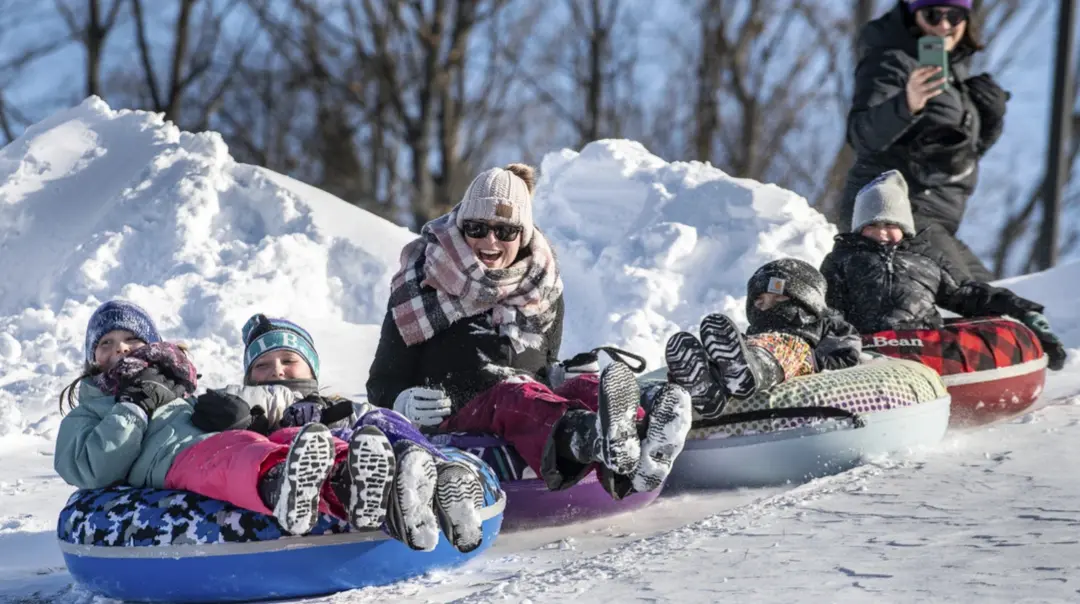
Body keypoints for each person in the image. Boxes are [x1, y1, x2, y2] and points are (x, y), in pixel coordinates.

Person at [368, 163, 693, 497]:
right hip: (455, 428)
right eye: (476, 228)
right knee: (512, 396)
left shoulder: (543, 288)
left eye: (504, 230)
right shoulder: (421, 284)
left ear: (522, 235)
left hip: (523, 421)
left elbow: (538, 372)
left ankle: (641, 447)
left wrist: (560, 376)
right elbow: (380, 382)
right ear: (460, 226)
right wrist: (400, 401)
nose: (489, 240)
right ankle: (595, 441)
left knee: (586, 386)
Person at [53, 301, 427, 541]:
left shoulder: (173, 386)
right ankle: (281, 486)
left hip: (211, 441)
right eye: (106, 342)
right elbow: (95, 468)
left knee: (285, 440)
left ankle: (360, 477)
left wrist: (240, 416)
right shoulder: (88, 411)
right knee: (237, 456)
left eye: (132, 339)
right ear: (92, 357)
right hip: (173, 460)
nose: (120, 348)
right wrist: (132, 407)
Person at [195, 313, 484, 552]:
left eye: (288, 360)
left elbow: (373, 423)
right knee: (330, 440)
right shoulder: (255, 406)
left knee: (378, 419)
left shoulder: (338, 405)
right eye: (262, 365)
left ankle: (434, 471)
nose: (277, 371)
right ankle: (398, 494)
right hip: (320, 460)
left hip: (363, 442)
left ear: (311, 367)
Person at [822, 170, 1067, 370]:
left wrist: (1024, 312)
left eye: (890, 224)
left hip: (924, 345)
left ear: (905, 226)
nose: (882, 232)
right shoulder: (843, 259)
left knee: (1005, 333)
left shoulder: (927, 258)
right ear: (858, 227)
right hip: (871, 346)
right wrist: (840, 343)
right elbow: (828, 306)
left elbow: (967, 293)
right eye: (873, 224)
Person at [838, 0, 1007, 281]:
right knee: (975, 310)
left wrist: (991, 120)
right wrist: (907, 103)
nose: (943, 26)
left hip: (936, 223)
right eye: (932, 15)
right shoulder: (891, 62)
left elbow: (960, 160)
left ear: (965, 21)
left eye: (953, 16)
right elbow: (862, 136)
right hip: (895, 217)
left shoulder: (955, 80)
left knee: (1005, 308)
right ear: (913, 16)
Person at [666, 259, 863, 419]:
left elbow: (847, 350)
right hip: (755, 350)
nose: (767, 307)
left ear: (807, 302)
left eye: (778, 299)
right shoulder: (756, 331)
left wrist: (815, 360)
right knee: (745, 346)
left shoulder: (824, 323)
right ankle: (708, 384)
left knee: (786, 347)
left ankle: (750, 371)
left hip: (795, 357)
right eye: (760, 302)